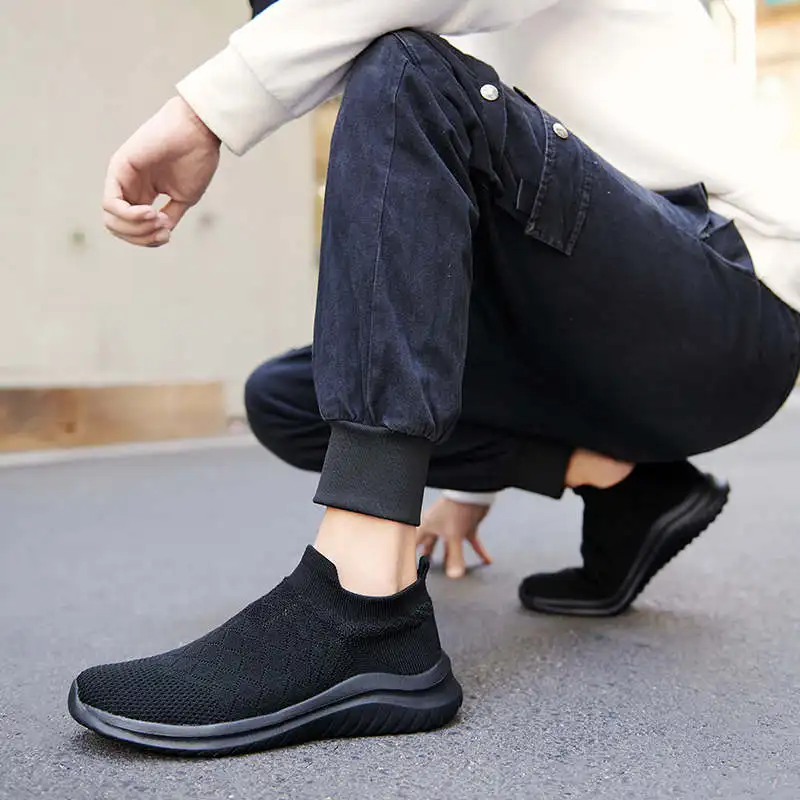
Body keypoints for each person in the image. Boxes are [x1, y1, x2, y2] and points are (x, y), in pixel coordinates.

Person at [69, 0, 800, 756]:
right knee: (286, 398)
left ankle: (363, 602)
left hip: (723, 308)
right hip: (585, 341)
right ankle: (624, 485)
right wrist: (481, 485)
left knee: (404, 72)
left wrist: (204, 110)